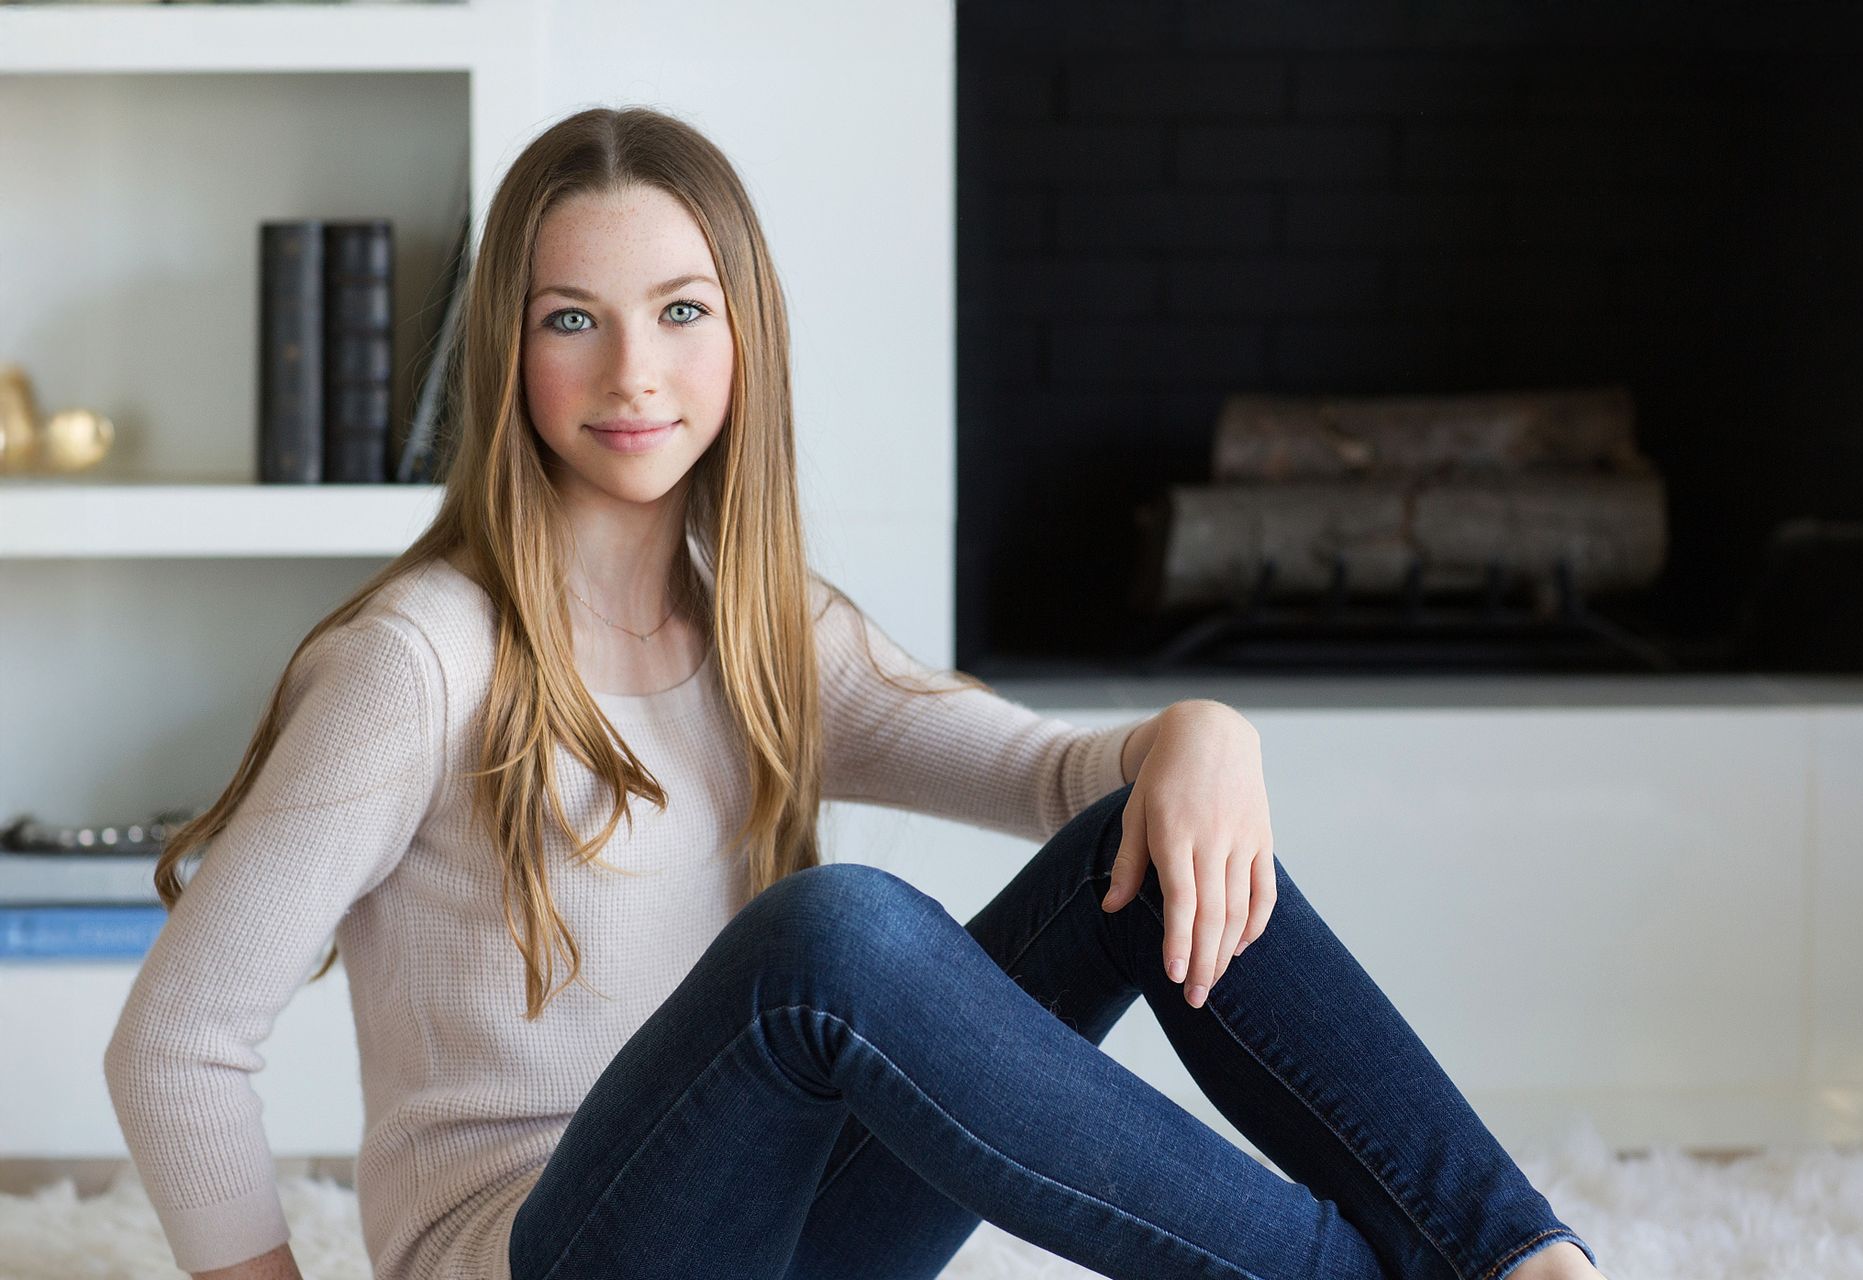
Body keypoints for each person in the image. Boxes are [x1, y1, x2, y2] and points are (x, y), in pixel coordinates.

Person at [103, 105, 1606, 1280]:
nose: (636, 369)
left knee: (1126, 857)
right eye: (574, 318)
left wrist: (1195, 732)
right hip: (547, 1251)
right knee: (832, 937)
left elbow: (1049, 775)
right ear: (509, 346)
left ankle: (1513, 1256)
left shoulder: (759, 627)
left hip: (788, 1235)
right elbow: (175, 1046)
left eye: (683, 311)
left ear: (744, 333)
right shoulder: (420, 661)